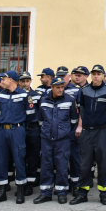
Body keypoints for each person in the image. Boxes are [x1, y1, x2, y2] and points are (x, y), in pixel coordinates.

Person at [72, 64, 106, 206]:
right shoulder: (84, 91)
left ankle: (104, 193)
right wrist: (85, 124)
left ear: (104, 75)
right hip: (87, 131)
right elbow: (82, 109)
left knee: (103, 162)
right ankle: (82, 193)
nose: (96, 76)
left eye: (99, 74)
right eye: (94, 74)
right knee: (85, 163)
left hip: (102, 131)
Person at [0, 70, 32, 205]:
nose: (1, 81)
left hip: (17, 129)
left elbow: (30, 115)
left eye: (3, 79)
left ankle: (20, 190)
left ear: (11, 80)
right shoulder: (1, 95)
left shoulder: (24, 95)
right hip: (2, 130)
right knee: (1, 160)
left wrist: (21, 128)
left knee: (19, 159)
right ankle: (1, 191)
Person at [35, 76, 79, 204]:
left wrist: (65, 133)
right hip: (46, 139)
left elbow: (73, 121)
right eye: (58, 87)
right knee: (46, 165)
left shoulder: (70, 100)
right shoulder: (43, 100)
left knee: (62, 165)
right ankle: (45, 192)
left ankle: (62, 192)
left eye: (62, 87)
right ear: (52, 87)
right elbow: (40, 120)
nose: (61, 90)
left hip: (63, 139)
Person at [21, 71, 43, 197]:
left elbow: (41, 114)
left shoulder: (37, 95)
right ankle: (22, 182)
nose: (25, 83)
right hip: (21, 128)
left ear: (30, 81)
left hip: (33, 129)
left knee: (33, 157)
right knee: (21, 156)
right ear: (19, 82)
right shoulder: (17, 95)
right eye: (23, 81)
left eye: (27, 80)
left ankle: (30, 183)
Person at [65, 66, 87, 193]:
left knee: (76, 157)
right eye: (75, 74)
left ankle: (76, 184)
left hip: (78, 129)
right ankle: (67, 182)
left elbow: (82, 111)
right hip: (65, 128)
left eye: (80, 75)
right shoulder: (65, 90)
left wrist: (80, 126)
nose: (77, 76)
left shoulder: (84, 90)